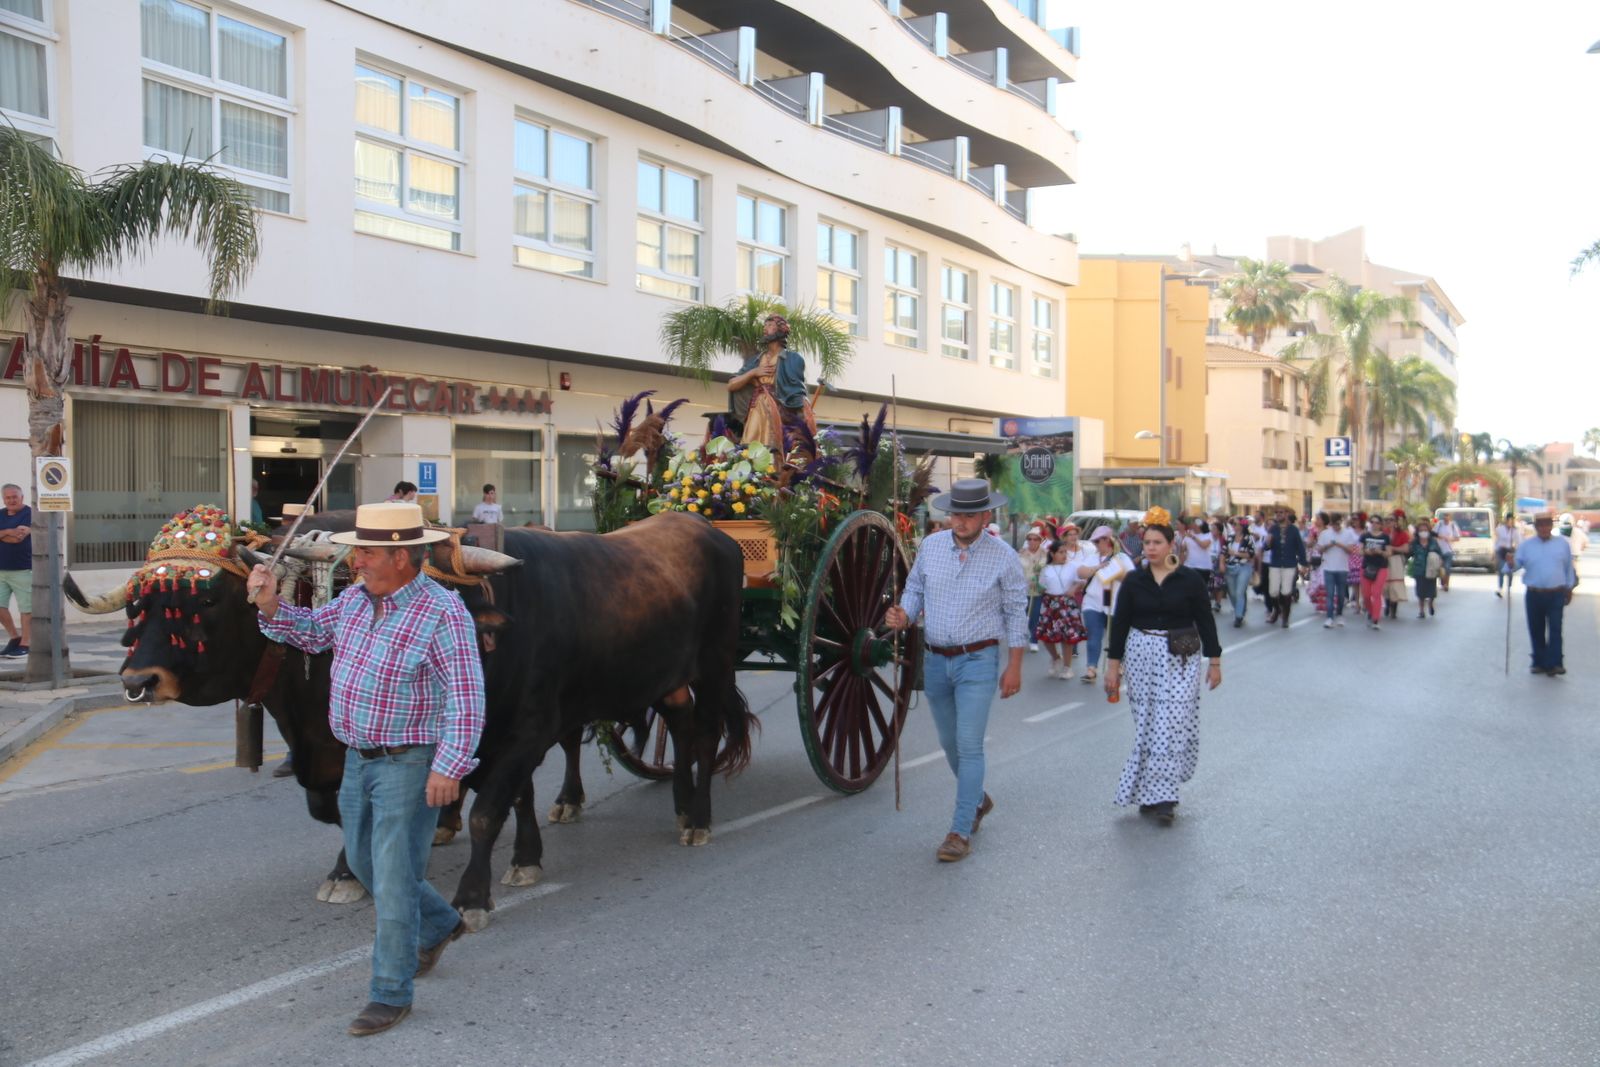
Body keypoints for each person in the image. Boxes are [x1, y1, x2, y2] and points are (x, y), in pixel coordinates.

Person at [245, 501, 485, 1037]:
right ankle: (443, 922)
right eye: (358, 550)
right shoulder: (355, 599)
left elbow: (466, 699)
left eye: (367, 551)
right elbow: (308, 633)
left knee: (395, 878)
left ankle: (390, 991)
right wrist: (270, 604)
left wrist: (449, 767)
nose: (355, 560)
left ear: (402, 557)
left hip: (410, 762)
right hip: (358, 759)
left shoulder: (443, 612)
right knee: (362, 860)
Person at [885, 478, 1026, 863]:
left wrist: (1014, 666)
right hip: (935, 659)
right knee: (949, 744)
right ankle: (978, 800)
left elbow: (1016, 614)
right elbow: (914, 590)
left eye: (967, 515)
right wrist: (904, 613)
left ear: (985, 515)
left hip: (977, 661)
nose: (959, 521)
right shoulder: (931, 547)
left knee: (968, 745)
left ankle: (959, 831)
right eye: (954, 514)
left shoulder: (1003, 556)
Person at [1104, 506, 1222, 825]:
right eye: (1147, 542)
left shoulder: (1190, 580)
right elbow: (1121, 623)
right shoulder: (1133, 581)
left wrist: (1215, 661)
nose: (1151, 548)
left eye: (1157, 542)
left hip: (1180, 656)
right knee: (1147, 725)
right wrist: (1113, 667)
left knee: (1170, 725)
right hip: (1141, 653)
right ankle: (1150, 791)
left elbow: (1205, 620)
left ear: (1171, 545)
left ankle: (1166, 796)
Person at [727, 313, 807, 449]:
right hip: (757, 407)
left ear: (781, 330)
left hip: (780, 409)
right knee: (750, 445)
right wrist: (753, 372)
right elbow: (732, 385)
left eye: (770, 325)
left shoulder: (793, 359)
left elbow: (798, 392)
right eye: (765, 325)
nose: (765, 329)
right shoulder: (756, 360)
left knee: (775, 446)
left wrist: (803, 415)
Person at [1516, 514, 1578, 676]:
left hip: (1556, 593)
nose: (1544, 528)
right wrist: (1509, 563)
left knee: (1556, 629)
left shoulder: (1562, 544)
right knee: (1536, 629)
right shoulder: (1526, 545)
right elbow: (1515, 564)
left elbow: (1568, 568)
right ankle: (1539, 662)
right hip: (1534, 594)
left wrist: (1569, 588)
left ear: (1551, 526)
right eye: (1541, 525)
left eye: (1547, 525)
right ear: (1536, 527)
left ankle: (1555, 663)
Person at [1077, 525, 1134, 685]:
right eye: (1094, 541)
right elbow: (1080, 572)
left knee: (1115, 637)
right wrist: (1097, 568)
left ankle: (1118, 664)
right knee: (1094, 634)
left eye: (1098, 541)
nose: (1095, 544)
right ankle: (1091, 668)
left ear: (1107, 540)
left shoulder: (1121, 558)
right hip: (1093, 601)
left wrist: (1117, 574)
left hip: (1115, 602)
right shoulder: (1092, 557)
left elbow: (1131, 578)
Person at [1037, 533, 1088, 679]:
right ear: (1052, 554)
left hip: (1066, 604)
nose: (1064, 555)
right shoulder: (1045, 569)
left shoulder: (1073, 566)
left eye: (1065, 552)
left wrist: (1075, 587)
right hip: (1050, 603)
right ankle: (1055, 657)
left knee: (1067, 637)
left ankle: (1067, 667)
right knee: (1046, 636)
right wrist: (1035, 584)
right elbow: (1041, 588)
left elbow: (1083, 581)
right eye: (1060, 552)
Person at [1263, 507, 1308, 628]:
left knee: (1286, 591)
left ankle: (1285, 617)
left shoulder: (1294, 530)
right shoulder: (1273, 529)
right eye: (1276, 512)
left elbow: (1300, 547)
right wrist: (1267, 542)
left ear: (1286, 514)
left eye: (1281, 512)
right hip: (1275, 563)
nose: (1278, 514)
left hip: (1289, 564)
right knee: (1273, 591)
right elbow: (1266, 547)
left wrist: (1304, 563)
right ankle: (1277, 610)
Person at [0, 483, 31, 658]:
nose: (11, 500)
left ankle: (26, 644)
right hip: (1, 569)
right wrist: (9, 531)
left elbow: (18, 539)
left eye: (15, 497)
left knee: (26, 609)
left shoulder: (29, 514)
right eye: (8, 497)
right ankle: (14, 637)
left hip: (23, 569)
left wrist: (3, 534)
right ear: (4, 499)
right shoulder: (0, 514)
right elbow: (14, 534)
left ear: (22, 497)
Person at [1316, 513, 1360, 628]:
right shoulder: (1325, 534)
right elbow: (1319, 549)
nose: (1336, 526)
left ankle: (1339, 614)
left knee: (1341, 595)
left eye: (1338, 523)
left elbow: (1351, 550)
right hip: (1328, 568)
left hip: (1342, 568)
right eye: (1334, 524)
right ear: (1331, 524)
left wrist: (1340, 545)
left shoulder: (1347, 533)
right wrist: (1329, 545)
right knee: (1330, 594)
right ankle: (1329, 617)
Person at [1222, 515, 1259, 629]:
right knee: (1232, 593)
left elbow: (1252, 554)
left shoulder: (1248, 538)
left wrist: (1237, 554)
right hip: (1230, 566)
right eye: (1233, 524)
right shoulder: (1230, 537)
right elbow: (1224, 551)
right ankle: (1240, 608)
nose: (1233, 526)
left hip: (1244, 566)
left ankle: (1238, 617)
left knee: (1239, 592)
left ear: (1242, 526)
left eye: (1236, 524)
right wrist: (1221, 563)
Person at [1017, 526, 1048, 653]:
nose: (1032, 541)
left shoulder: (1045, 554)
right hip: (1023, 589)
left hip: (1037, 589)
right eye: (1030, 539)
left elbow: (1044, 569)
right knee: (1022, 615)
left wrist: (1038, 581)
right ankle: (1022, 636)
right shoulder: (1021, 553)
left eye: (1035, 539)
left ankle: (1034, 640)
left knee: (1035, 615)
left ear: (1040, 541)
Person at [1408, 518, 1445, 618]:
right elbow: (1409, 553)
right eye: (1421, 530)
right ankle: (1421, 611)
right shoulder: (1415, 542)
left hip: (1431, 570)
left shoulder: (1433, 542)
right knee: (1420, 591)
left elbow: (1440, 553)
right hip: (1419, 569)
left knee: (1431, 591)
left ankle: (1430, 604)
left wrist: (1440, 562)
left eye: (1425, 530)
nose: (1423, 532)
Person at [1358, 517, 1391, 629]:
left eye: (1377, 522)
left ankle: (1376, 619)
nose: (1374, 524)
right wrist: (1366, 551)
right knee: (1366, 595)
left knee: (1376, 593)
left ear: (1381, 524)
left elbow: (1389, 552)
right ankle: (1370, 612)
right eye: (1372, 522)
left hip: (1381, 567)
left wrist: (1380, 552)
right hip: (1367, 567)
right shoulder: (1365, 536)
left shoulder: (1385, 537)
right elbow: (1359, 551)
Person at [1494, 512, 1519, 597]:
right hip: (1501, 551)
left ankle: (1509, 588)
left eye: (1512, 520)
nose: (1511, 522)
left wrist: (1516, 550)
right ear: (1506, 520)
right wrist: (1495, 552)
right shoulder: (1500, 529)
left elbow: (1518, 541)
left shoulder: (1514, 531)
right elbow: (1497, 541)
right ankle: (1500, 589)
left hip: (1510, 552)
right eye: (1509, 520)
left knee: (1509, 572)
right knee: (1501, 570)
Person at [1433, 511, 1459, 592]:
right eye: (1445, 516)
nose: (1446, 517)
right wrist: (1441, 537)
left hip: (1448, 550)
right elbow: (1433, 534)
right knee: (1440, 568)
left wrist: (1450, 539)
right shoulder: (1439, 524)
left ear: (1450, 517)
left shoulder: (1453, 525)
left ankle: (1446, 585)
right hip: (1439, 550)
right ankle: (1442, 582)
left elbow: (1457, 538)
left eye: (1447, 516)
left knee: (1447, 568)